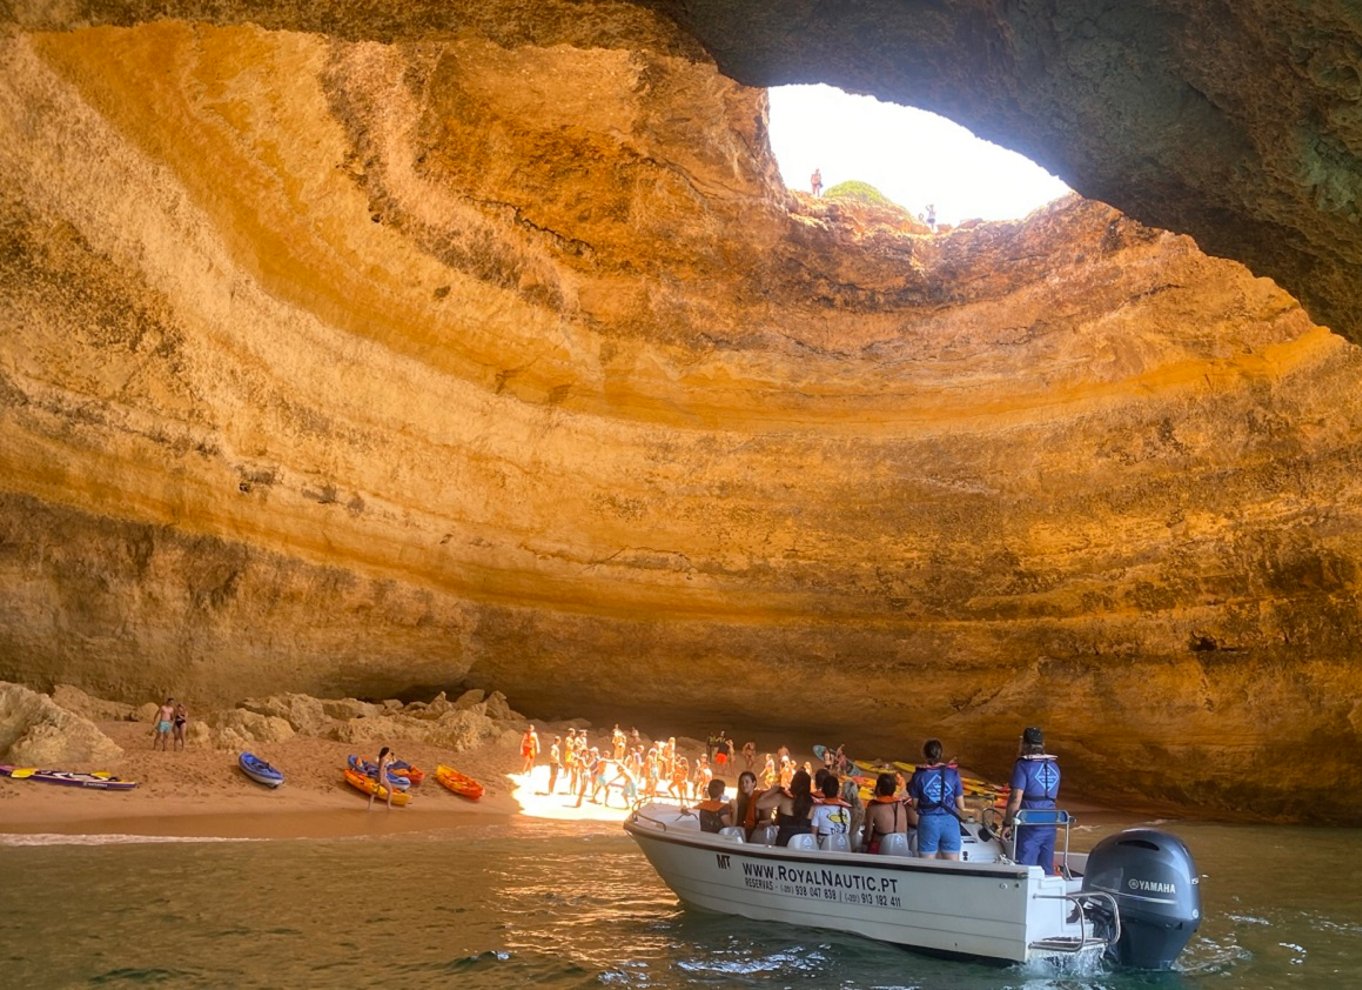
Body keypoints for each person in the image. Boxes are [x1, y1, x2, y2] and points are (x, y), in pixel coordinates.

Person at [1004, 726, 1062, 873]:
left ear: (1024, 744)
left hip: (1029, 823)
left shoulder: (1023, 765)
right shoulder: (1054, 766)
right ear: (1043, 744)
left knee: (1026, 868)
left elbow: (1015, 798)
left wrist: (1007, 824)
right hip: (1050, 822)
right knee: (1046, 867)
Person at [909, 739, 968, 860]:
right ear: (941, 754)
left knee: (927, 865)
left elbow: (915, 805)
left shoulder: (918, 775)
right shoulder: (953, 774)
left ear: (924, 754)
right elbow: (961, 805)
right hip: (950, 822)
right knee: (952, 866)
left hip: (928, 822)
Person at [757, 768, 814, 847]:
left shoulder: (781, 798)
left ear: (793, 783)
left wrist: (773, 790)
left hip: (783, 845)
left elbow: (759, 804)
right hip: (805, 846)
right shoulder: (814, 805)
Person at [862, 772, 917, 853]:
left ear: (879, 788)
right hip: (902, 847)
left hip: (881, 849)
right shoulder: (901, 806)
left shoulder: (873, 808)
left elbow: (867, 836)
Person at [811, 774, 852, 840]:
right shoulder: (846, 811)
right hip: (843, 847)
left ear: (822, 790)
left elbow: (813, 835)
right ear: (838, 791)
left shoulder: (819, 810)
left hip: (824, 847)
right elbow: (847, 833)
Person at [733, 770, 766, 840]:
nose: (744, 785)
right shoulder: (740, 800)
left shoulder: (760, 797)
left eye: (747, 782)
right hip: (742, 833)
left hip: (758, 834)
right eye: (742, 782)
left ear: (754, 783)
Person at [369, 746, 396, 810]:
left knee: (374, 793)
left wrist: (389, 761)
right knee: (390, 791)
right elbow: (380, 769)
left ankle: (369, 808)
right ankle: (388, 806)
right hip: (382, 777)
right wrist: (381, 779)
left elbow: (383, 766)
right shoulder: (383, 759)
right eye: (389, 751)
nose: (389, 752)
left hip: (379, 777)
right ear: (386, 752)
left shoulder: (382, 758)